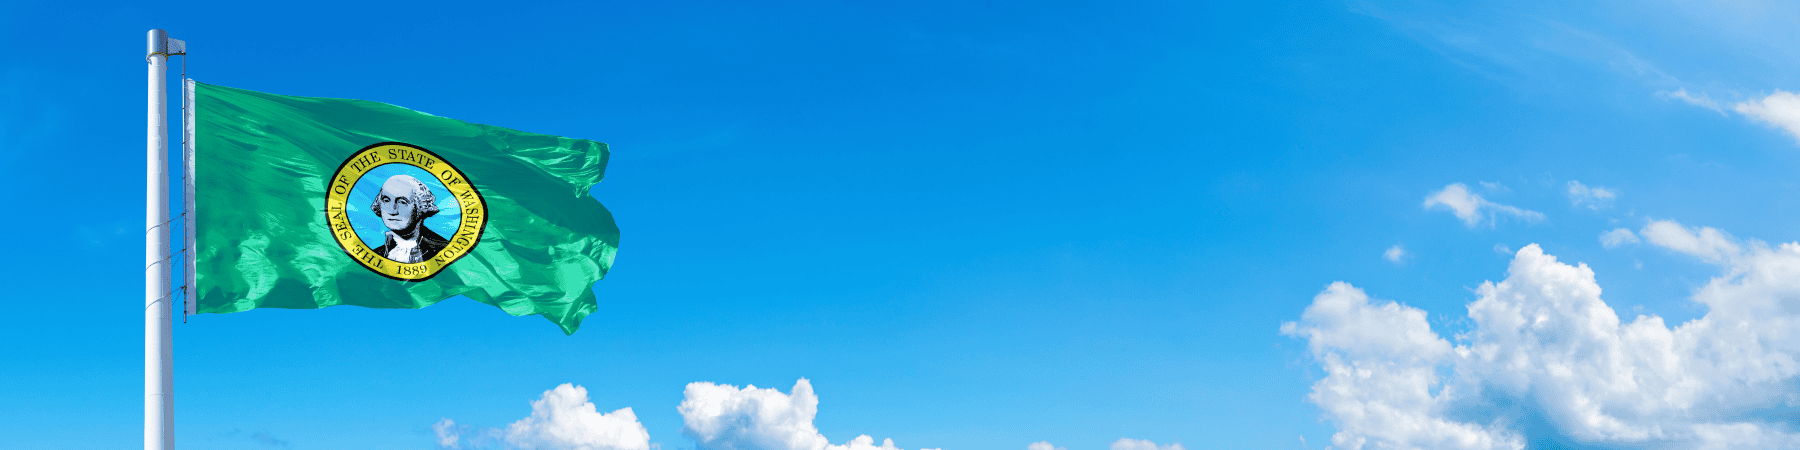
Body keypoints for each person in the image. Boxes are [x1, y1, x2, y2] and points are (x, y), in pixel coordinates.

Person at [369, 174, 449, 263]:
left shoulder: (446, 252)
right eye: (386, 200)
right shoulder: (375, 255)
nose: (392, 210)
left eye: (402, 202)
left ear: (421, 206)